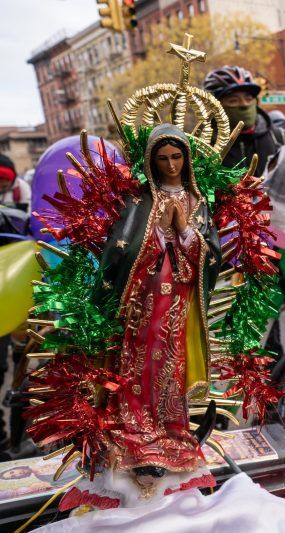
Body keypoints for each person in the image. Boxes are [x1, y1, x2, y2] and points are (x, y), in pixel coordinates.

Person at [92, 123, 222, 488]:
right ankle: (133, 432)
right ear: (151, 161)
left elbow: (211, 256)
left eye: (177, 157)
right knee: (139, 362)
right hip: (142, 299)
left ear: (187, 159)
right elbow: (122, 249)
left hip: (178, 300)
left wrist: (183, 229)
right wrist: (159, 234)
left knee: (170, 364)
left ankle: (170, 429)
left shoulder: (198, 202)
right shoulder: (139, 202)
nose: (171, 165)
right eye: (163, 159)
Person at [203, 66, 285, 175]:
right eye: (233, 100)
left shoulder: (280, 139)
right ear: (215, 107)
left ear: (256, 101)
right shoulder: (202, 149)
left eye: (248, 98)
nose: (244, 104)